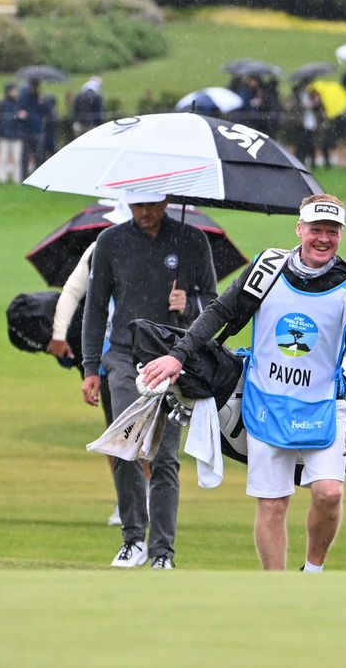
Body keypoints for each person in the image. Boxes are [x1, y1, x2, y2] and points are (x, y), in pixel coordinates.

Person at [141, 194, 346, 573]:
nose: (323, 238)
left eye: (332, 232)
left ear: (341, 235)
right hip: (265, 403)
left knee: (329, 493)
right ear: (299, 229)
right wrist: (178, 354)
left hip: (323, 408)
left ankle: (312, 572)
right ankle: (276, 589)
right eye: (315, 229)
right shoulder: (266, 270)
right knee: (272, 503)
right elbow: (219, 312)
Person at [80, 191, 218, 570]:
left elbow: (214, 302)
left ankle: (162, 552)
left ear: (167, 201)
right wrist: (91, 367)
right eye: (138, 205)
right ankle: (132, 540)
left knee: (164, 457)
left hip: (172, 359)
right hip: (123, 356)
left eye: (153, 205)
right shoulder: (110, 241)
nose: (146, 213)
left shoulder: (192, 239)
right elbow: (94, 308)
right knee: (124, 446)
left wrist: (188, 305)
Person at [48, 200, 130, 528]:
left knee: (146, 434)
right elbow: (72, 291)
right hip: (112, 353)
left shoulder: (163, 249)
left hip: (151, 356)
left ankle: (151, 494)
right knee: (116, 432)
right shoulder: (100, 249)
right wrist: (57, 333)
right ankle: (127, 499)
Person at [16, 77, 45, 182]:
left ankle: (38, 176)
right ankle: (24, 176)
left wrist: (42, 104)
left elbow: (45, 112)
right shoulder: (24, 97)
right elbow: (19, 110)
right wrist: (20, 114)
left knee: (39, 155)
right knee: (25, 156)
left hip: (37, 129)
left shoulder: (40, 98)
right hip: (26, 130)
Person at [0, 83, 23, 184]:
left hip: (17, 136)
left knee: (17, 159)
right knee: (3, 159)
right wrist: (16, 116)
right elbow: (1, 121)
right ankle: (2, 178)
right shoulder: (2, 105)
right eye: (14, 90)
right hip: (4, 137)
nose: (16, 93)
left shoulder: (19, 104)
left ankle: (17, 179)